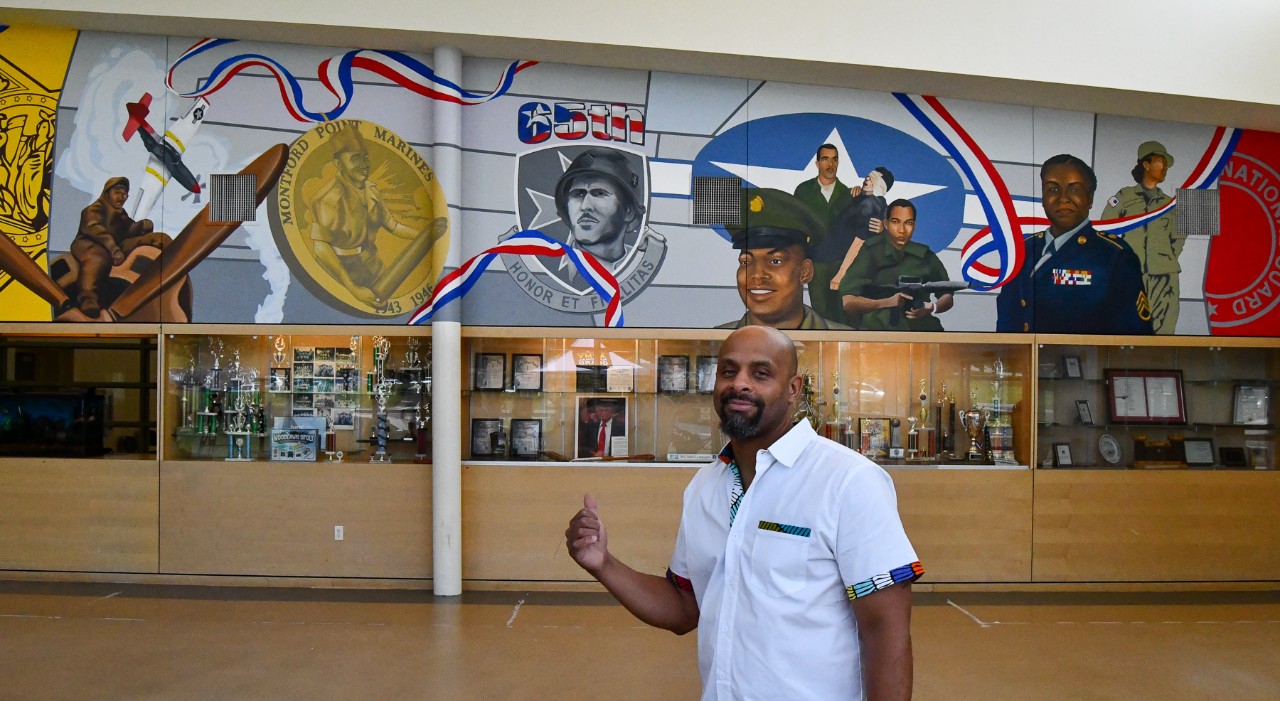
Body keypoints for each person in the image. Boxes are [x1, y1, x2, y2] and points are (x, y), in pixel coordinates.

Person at [566, 325, 921, 700]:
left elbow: (887, 632)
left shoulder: (849, 481)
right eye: (728, 371)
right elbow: (685, 606)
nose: (740, 384)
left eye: (761, 373)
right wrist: (603, 563)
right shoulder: (705, 486)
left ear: (794, 389)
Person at [996, 154, 1153, 334]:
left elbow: (1136, 338)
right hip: (1019, 360)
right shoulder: (1022, 250)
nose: (1064, 198)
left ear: (1090, 198)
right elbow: (1007, 320)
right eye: (1053, 189)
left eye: (1075, 189)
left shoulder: (1114, 256)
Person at [308, 125, 421, 307]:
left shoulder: (371, 190)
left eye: (365, 158)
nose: (363, 165)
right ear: (338, 164)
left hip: (374, 267)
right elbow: (321, 248)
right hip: (344, 272)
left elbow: (393, 226)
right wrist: (353, 289)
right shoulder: (328, 200)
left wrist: (425, 235)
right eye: (355, 159)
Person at [717, 188, 851, 330]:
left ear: (805, 272)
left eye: (775, 261)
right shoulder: (714, 345)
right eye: (745, 262)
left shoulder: (847, 343)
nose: (757, 275)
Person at [1101, 141, 1181, 334]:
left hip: (1164, 277)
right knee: (1129, 328)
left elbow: (1178, 238)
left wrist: (1164, 258)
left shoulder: (1170, 204)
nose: (1165, 168)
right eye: (1161, 162)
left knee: (1164, 331)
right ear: (1146, 164)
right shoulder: (1124, 197)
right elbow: (1105, 231)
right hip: (1132, 276)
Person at [838, 198, 954, 331]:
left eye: (908, 223)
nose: (902, 230)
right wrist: (887, 302)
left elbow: (947, 295)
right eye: (895, 222)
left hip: (921, 329)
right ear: (886, 224)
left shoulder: (926, 255)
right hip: (879, 331)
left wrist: (931, 307)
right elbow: (848, 302)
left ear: (914, 225)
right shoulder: (871, 252)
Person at [69, 177, 171, 317]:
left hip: (116, 246)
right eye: (117, 192)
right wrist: (113, 249)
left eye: (125, 194)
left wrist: (141, 226)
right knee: (97, 260)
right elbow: (95, 229)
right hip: (90, 244)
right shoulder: (93, 209)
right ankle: (88, 299)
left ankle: (171, 253)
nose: (121, 197)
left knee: (157, 239)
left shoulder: (120, 213)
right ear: (107, 193)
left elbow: (128, 229)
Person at [554, 147, 646, 277]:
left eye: (599, 193)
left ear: (629, 211)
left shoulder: (637, 261)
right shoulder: (553, 264)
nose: (585, 206)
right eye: (577, 194)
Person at [793, 144, 854, 320]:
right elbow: (797, 224)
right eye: (825, 159)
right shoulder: (803, 191)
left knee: (842, 313)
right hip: (815, 261)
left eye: (834, 159)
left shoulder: (848, 193)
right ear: (817, 163)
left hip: (841, 264)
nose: (830, 164)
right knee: (820, 312)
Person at [828, 166, 894, 297]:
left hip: (846, 263)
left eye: (873, 178)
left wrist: (840, 275)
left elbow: (858, 241)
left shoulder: (871, 206)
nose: (867, 179)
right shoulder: (864, 199)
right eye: (868, 176)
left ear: (881, 187)